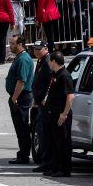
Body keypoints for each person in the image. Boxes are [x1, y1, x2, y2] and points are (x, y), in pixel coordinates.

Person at [43, 51, 74, 177]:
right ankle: (54, 167)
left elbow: (70, 96)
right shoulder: (55, 75)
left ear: (54, 62)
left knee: (63, 142)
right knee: (54, 142)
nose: (49, 63)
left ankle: (64, 169)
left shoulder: (64, 76)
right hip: (53, 113)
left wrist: (64, 114)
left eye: (50, 61)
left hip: (61, 115)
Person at [6, 35, 35, 165]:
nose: (10, 46)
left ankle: (24, 155)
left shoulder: (23, 60)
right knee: (20, 127)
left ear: (20, 44)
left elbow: (21, 81)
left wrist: (14, 98)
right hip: (19, 96)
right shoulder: (20, 57)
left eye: (12, 43)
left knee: (22, 127)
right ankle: (22, 153)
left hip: (21, 97)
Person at [30, 40, 55, 173]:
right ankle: (45, 161)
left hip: (46, 104)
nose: (36, 51)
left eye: (39, 49)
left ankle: (47, 162)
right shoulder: (41, 60)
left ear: (45, 48)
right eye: (35, 48)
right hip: (40, 102)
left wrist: (45, 98)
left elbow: (50, 82)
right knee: (41, 132)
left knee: (45, 134)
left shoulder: (47, 61)